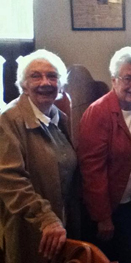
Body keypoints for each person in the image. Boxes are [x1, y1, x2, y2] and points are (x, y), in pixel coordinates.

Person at [0, 49, 80, 263]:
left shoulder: (58, 118)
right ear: (23, 84)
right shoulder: (8, 122)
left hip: (60, 230)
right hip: (30, 232)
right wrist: (46, 219)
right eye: (35, 76)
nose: (45, 82)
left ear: (60, 84)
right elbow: (11, 182)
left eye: (52, 76)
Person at [78, 46, 131, 263]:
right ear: (114, 80)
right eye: (128, 78)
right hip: (106, 210)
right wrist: (103, 218)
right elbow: (92, 170)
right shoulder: (98, 113)